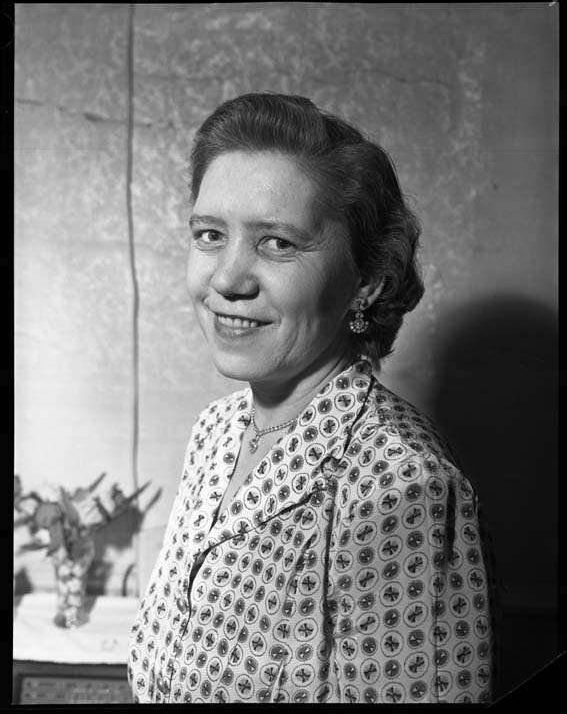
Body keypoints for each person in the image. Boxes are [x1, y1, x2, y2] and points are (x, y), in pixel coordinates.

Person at [127, 92, 494, 704]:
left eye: (278, 243)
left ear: (365, 282)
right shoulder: (217, 430)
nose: (226, 279)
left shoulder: (401, 484)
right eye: (210, 234)